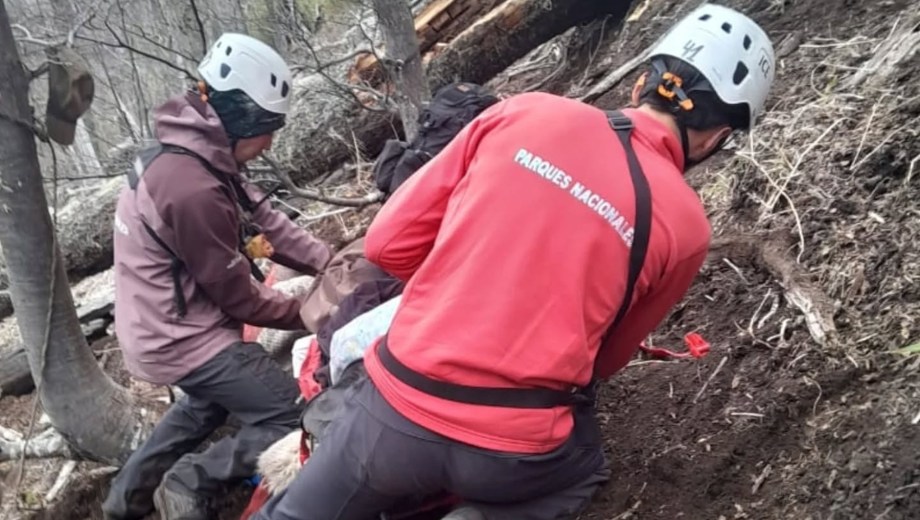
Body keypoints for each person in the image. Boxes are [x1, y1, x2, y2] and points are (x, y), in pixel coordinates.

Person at [253, 4, 776, 520]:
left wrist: (457, 285)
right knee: (586, 468)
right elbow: (605, 360)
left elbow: (389, 245)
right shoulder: (687, 226)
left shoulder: (525, 111)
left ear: (641, 83)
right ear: (717, 137)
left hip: (393, 417)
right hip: (514, 449)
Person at [102, 33, 333, 520]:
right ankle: (189, 484)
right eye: (268, 127)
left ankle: (125, 503)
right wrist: (315, 310)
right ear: (241, 117)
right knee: (293, 415)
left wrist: (330, 262)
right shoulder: (191, 187)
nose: (271, 140)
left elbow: (266, 219)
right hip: (178, 337)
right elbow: (241, 300)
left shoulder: (199, 151)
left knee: (206, 404)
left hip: (160, 325)